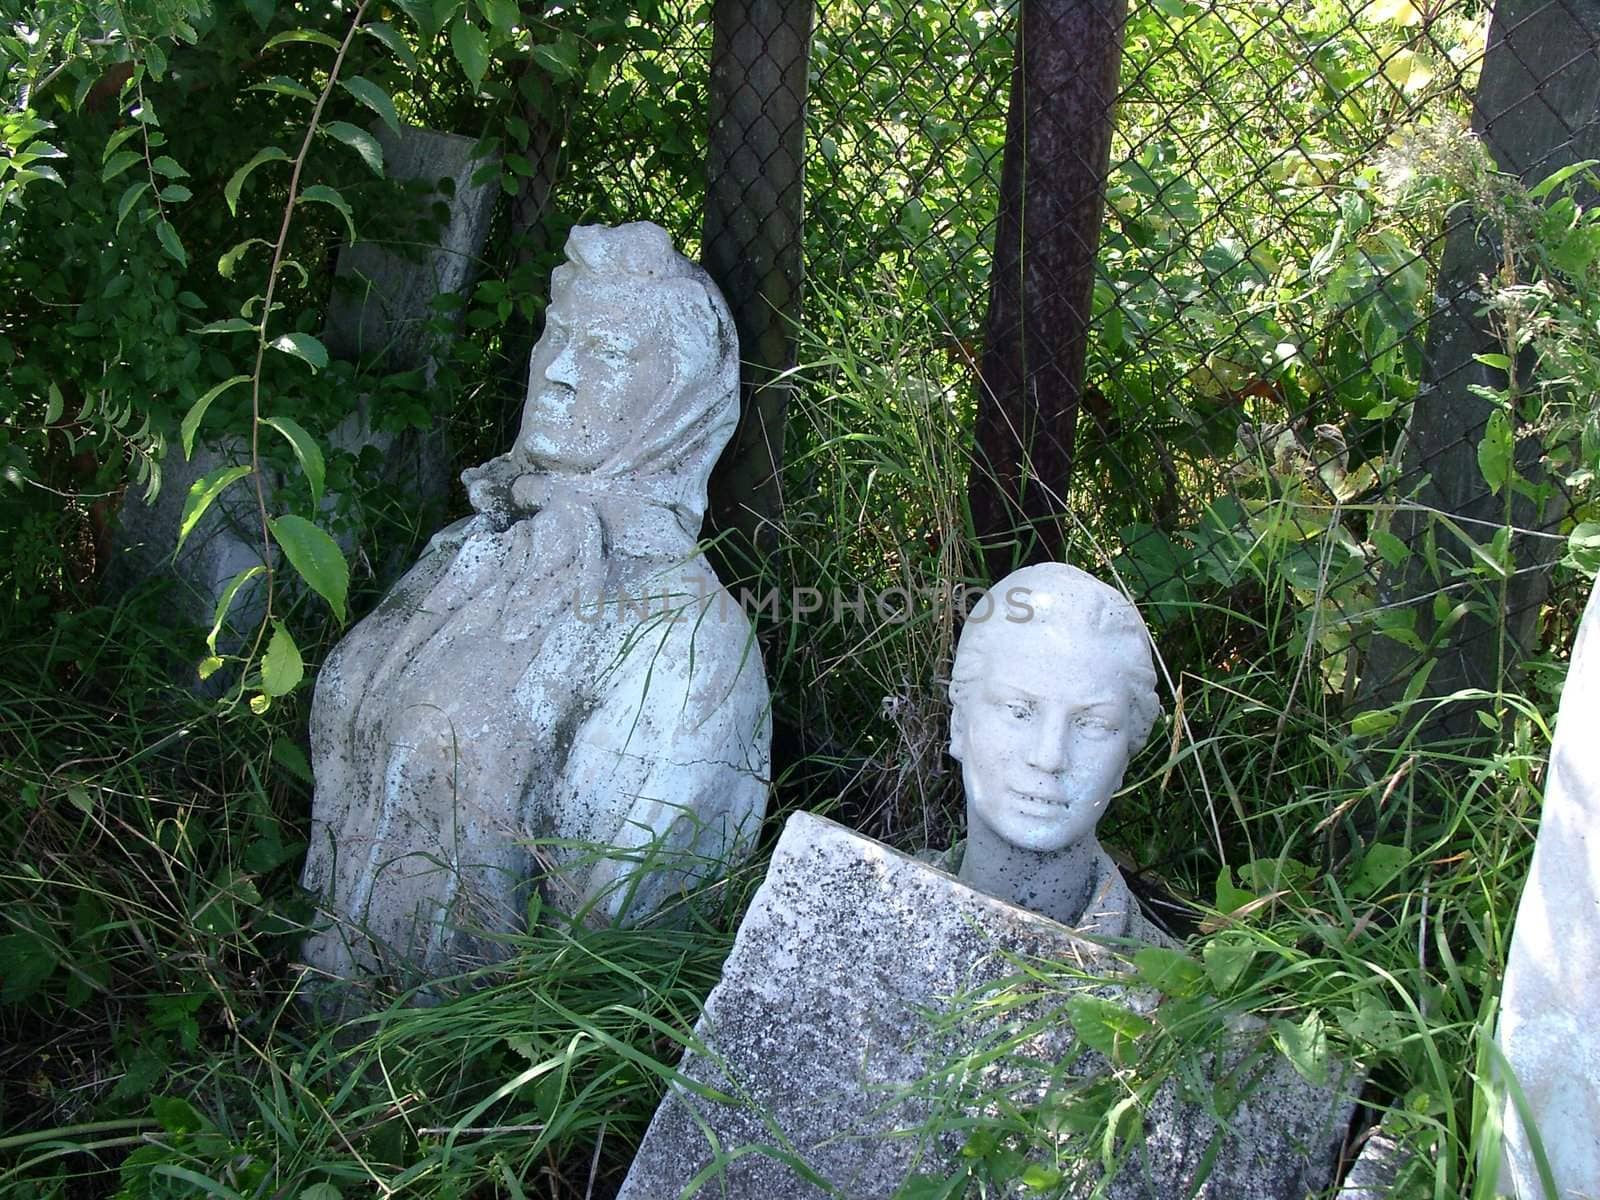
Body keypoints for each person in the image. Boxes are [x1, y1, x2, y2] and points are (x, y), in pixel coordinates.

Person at [300, 223, 771, 984]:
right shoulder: (467, 549)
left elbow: (610, 951)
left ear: (675, 403)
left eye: (608, 353)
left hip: (466, 1081)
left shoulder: (686, 641)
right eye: (556, 335)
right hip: (320, 1036)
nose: (556, 372)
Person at [947, 562, 1167, 942]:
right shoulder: (849, 907)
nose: (1049, 758)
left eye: (1092, 725)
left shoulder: (1177, 993)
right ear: (959, 723)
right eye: (1019, 711)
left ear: (1127, 753)